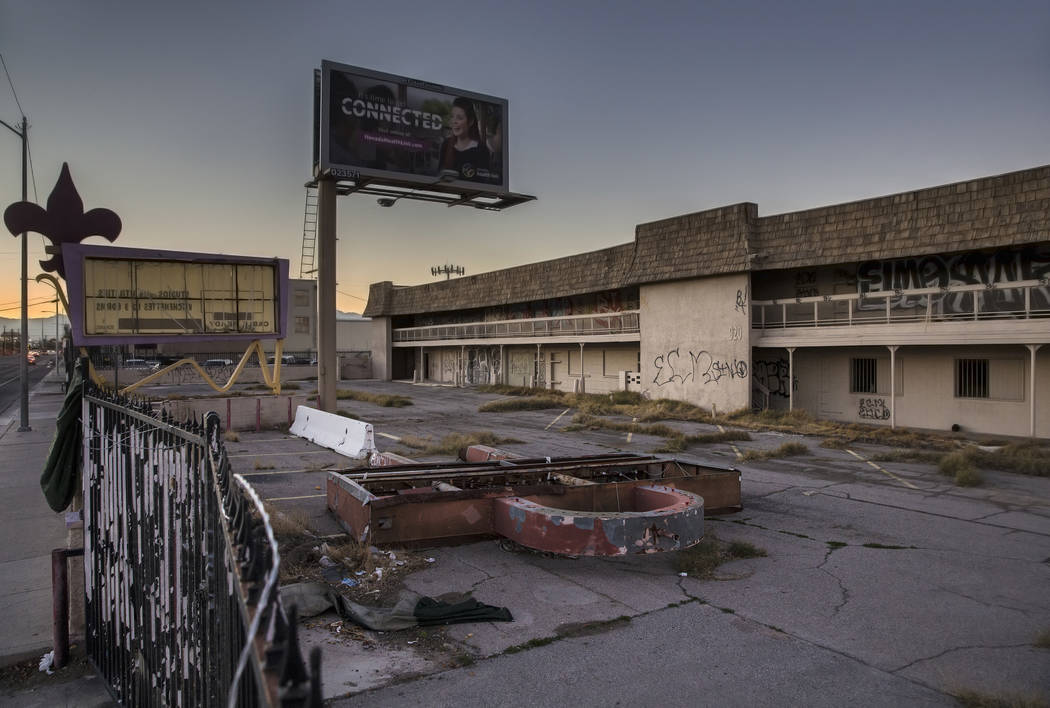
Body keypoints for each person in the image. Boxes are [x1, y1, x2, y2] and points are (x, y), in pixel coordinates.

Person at [437, 97, 490, 183]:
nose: (454, 121)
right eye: (452, 116)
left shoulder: (481, 149)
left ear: (471, 121)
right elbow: (438, 175)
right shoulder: (446, 144)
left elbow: (484, 181)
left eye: (459, 118)